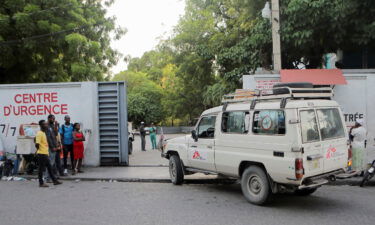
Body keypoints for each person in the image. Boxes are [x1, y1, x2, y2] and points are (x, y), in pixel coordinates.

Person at [35, 120, 62, 187]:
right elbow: (37, 144)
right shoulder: (39, 133)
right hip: (41, 154)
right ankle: (41, 183)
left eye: (46, 124)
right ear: (41, 126)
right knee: (41, 169)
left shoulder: (43, 133)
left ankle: (54, 181)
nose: (46, 125)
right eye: (44, 124)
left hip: (45, 153)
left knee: (50, 167)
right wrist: (39, 151)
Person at [45, 115, 61, 180]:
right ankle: (47, 177)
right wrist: (52, 147)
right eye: (53, 118)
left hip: (54, 146)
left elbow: (56, 134)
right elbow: (48, 138)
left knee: (53, 162)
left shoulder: (52, 125)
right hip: (50, 147)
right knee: (50, 163)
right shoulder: (46, 126)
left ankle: (54, 175)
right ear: (49, 118)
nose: (54, 120)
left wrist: (56, 126)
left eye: (54, 118)